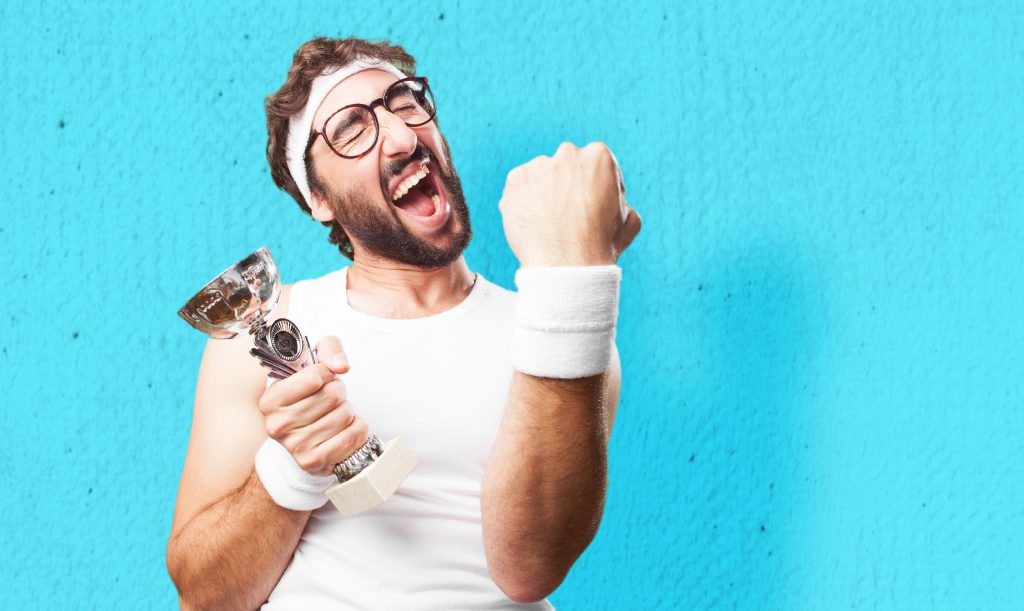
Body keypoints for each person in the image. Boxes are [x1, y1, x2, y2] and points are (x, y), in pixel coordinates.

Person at [166, 36, 642, 610]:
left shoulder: (558, 331)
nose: (400, 135)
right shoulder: (270, 333)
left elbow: (529, 567)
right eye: (350, 129)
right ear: (318, 198)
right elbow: (203, 598)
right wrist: (292, 469)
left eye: (406, 101)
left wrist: (571, 280)